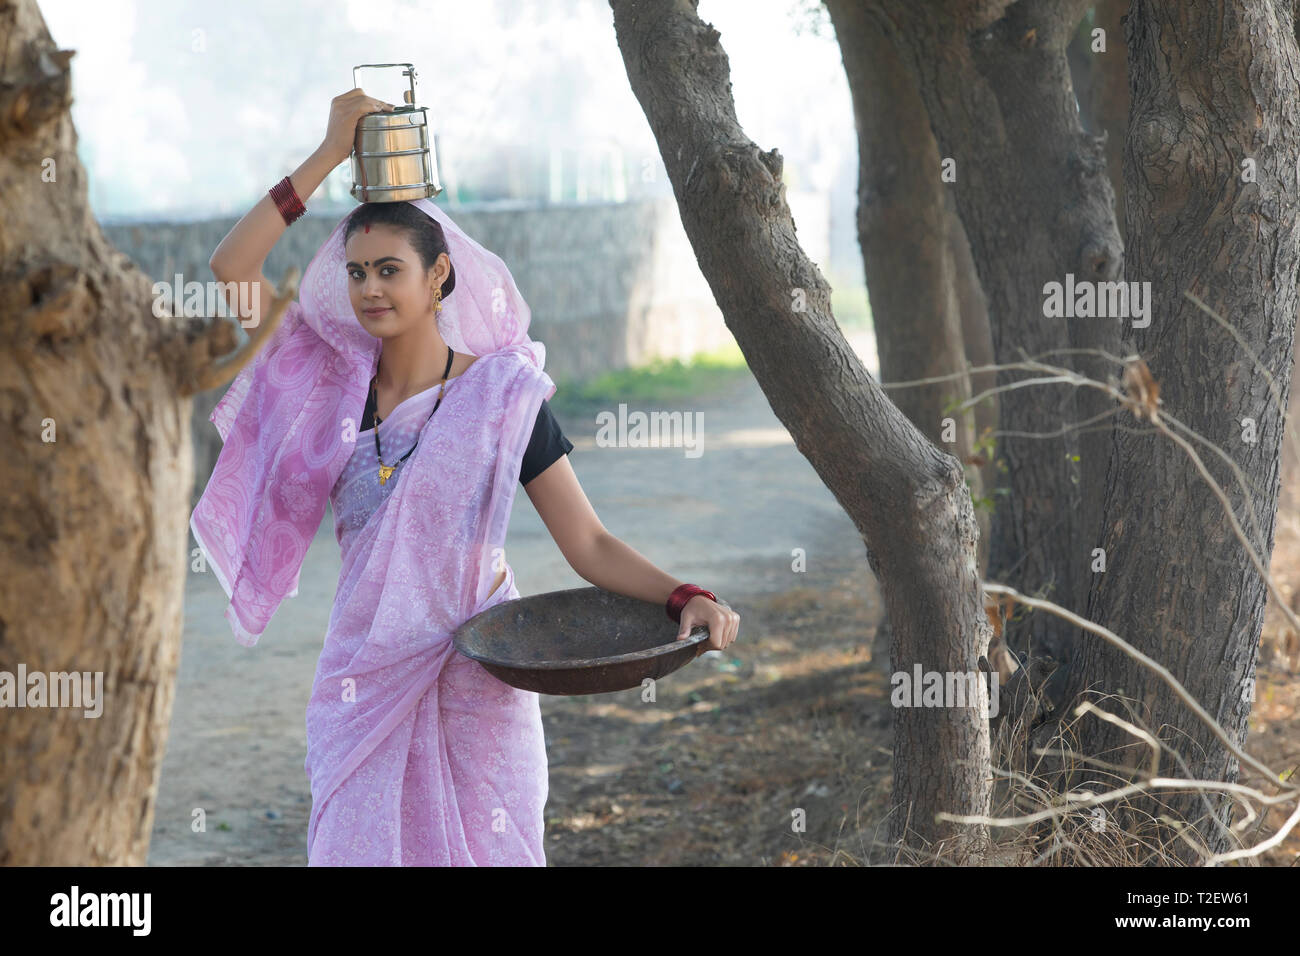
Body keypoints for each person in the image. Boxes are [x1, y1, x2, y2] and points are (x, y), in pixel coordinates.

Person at [189, 88, 741, 866]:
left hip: (481, 680)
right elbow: (231, 264)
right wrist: (326, 156)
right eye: (355, 273)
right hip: (362, 686)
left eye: (389, 270)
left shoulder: (503, 396)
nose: (370, 289)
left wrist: (685, 594)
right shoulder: (327, 387)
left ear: (439, 273)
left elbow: (588, 542)